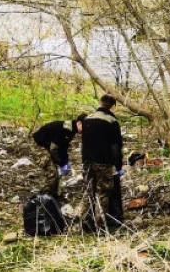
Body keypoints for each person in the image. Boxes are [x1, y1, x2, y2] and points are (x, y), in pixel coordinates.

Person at [80, 94, 125, 232]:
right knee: (103, 192)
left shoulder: (87, 119)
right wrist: (118, 166)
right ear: (113, 107)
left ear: (100, 103)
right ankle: (101, 226)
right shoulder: (111, 121)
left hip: (87, 161)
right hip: (103, 162)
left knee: (89, 191)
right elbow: (115, 147)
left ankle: (85, 223)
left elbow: (83, 143)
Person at [31, 113, 88, 198]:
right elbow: (53, 149)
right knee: (52, 172)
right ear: (79, 123)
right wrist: (61, 163)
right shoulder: (66, 129)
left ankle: (53, 195)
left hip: (48, 145)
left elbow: (63, 147)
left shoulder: (72, 130)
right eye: (85, 127)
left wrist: (65, 161)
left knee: (56, 172)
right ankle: (44, 197)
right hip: (38, 145)